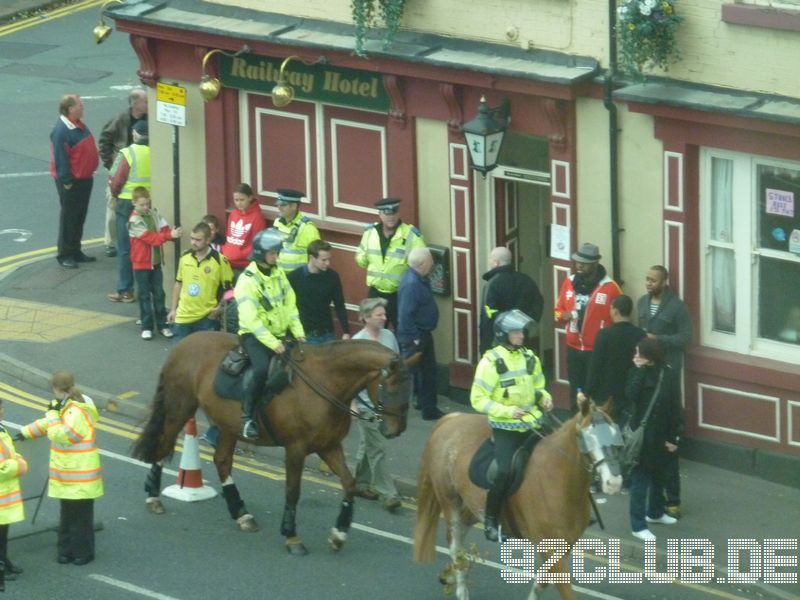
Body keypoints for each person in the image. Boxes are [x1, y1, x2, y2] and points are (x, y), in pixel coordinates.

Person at [470, 309, 553, 542]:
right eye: (516, 332)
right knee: (505, 471)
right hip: (506, 427)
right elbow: (478, 399)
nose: (521, 336)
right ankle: (491, 521)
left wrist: (544, 397)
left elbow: (538, 385)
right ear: (503, 334)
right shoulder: (490, 362)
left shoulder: (530, 358)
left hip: (533, 422)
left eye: (522, 331)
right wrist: (507, 411)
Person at [16, 370, 103, 565]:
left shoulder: (77, 410)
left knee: (79, 516)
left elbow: (64, 434)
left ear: (56, 388)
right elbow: (48, 423)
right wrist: (25, 432)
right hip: (71, 472)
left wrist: (53, 415)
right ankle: (66, 552)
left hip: (79, 474)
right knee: (69, 514)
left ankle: (82, 553)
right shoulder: (67, 405)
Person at [234, 228, 306, 439]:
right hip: (254, 336)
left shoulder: (278, 273)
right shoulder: (247, 281)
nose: (277, 256)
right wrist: (273, 344)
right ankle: (247, 418)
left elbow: (290, 305)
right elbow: (251, 320)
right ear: (260, 254)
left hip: (281, 334)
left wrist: (299, 333)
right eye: (273, 253)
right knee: (262, 370)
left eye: (277, 253)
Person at [637, 265, 692, 518]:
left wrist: (659, 339)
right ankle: (652, 501)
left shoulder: (677, 307)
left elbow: (685, 337)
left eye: (653, 280)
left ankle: (673, 500)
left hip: (668, 371)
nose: (648, 283)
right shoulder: (641, 303)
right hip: (648, 371)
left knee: (669, 434)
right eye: (647, 279)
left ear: (665, 281)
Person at [625, 338, 682, 542]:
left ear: (649, 355)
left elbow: (676, 406)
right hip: (643, 437)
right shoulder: (636, 373)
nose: (635, 356)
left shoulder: (668, 373)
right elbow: (630, 395)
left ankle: (656, 512)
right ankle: (638, 525)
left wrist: (674, 436)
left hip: (661, 435)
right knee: (640, 480)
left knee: (660, 476)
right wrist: (639, 370)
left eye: (639, 353)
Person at [554, 242, 621, 410]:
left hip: (597, 350)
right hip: (573, 348)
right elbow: (556, 311)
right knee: (576, 390)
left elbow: (619, 320)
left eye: (584, 263)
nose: (579, 266)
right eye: (578, 262)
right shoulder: (569, 283)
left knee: (597, 392)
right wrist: (563, 315)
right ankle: (575, 425)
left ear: (595, 264)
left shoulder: (610, 288)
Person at [349, 298, 402, 512]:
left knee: (368, 444)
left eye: (384, 314)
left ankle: (360, 484)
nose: (384, 317)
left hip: (386, 402)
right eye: (379, 314)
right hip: (365, 404)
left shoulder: (389, 336)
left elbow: (397, 366)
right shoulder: (357, 342)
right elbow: (351, 378)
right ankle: (388, 494)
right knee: (377, 446)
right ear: (366, 317)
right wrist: (352, 403)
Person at [355, 198, 426, 329]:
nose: (391, 217)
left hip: (400, 294)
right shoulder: (370, 233)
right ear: (380, 214)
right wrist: (365, 258)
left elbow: (422, 263)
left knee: (403, 332)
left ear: (398, 213)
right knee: (373, 332)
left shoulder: (410, 234)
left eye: (394, 213)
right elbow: (360, 259)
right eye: (387, 214)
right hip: (375, 293)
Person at [579, 295, 646, 426]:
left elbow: (595, 366)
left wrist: (587, 393)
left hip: (606, 394)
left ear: (615, 311)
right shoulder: (640, 334)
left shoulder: (604, 334)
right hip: (631, 392)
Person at [50, 94, 100, 269]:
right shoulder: (61, 131)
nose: (83, 106)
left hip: (84, 179)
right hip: (72, 182)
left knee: (79, 217)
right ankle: (65, 254)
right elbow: (60, 158)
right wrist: (67, 181)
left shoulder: (78, 124)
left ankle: (75, 250)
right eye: (80, 104)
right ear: (70, 108)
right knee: (69, 218)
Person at [98, 88, 148, 258]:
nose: (148, 104)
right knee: (113, 208)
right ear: (136, 104)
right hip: (120, 167)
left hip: (138, 170)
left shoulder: (148, 119)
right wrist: (109, 164)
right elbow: (104, 140)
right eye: (145, 101)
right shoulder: (120, 119)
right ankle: (110, 243)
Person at [128, 187, 182, 340]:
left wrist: (171, 234)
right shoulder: (134, 221)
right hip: (141, 264)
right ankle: (147, 326)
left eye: (147, 204)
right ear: (134, 203)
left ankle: (162, 325)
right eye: (142, 205)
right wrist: (170, 235)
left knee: (159, 294)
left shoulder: (154, 214)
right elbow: (151, 238)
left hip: (155, 262)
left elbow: (164, 230)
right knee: (144, 295)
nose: (145, 207)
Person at [107, 119, 151, 303]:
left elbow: (116, 179)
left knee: (125, 249)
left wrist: (115, 194)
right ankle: (145, 290)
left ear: (134, 134)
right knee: (146, 248)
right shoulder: (156, 151)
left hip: (126, 204)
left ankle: (125, 290)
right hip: (148, 204)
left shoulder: (127, 153)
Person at [167, 222, 233, 343]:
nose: (193, 242)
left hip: (206, 318)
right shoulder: (184, 257)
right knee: (179, 357)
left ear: (208, 240)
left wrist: (218, 309)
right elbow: (178, 283)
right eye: (192, 238)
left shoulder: (220, 261)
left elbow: (229, 290)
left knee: (203, 358)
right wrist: (173, 309)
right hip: (183, 317)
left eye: (198, 240)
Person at [397, 247, 442, 420]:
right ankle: (427, 410)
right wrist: (415, 338)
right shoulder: (412, 284)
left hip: (421, 333)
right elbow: (405, 315)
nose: (433, 264)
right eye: (430, 261)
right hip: (417, 336)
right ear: (422, 264)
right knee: (424, 372)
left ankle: (423, 404)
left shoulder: (417, 279)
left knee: (421, 372)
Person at [479, 246, 545, 354]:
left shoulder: (492, 284)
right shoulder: (527, 281)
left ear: (496, 263)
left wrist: (485, 346)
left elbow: (488, 314)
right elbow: (539, 304)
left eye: (490, 260)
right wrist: (526, 326)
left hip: (497, 342)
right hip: (522, 337)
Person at [287, 240, 351, 344]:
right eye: (323, 260)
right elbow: (288, 307)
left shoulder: (332, 277)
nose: (328, 263)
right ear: (312, 258)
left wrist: (346, 331)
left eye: (328, 259)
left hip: (328, 333)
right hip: (306, 335)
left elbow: (339, 305)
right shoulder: (294, 277)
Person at [0, 400, 27, 588]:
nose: (3, 411)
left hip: (5, 494)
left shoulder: (2, 429)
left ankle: (4, 560)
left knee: (3, 533)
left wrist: (15, 460)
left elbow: (10, 453)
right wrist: (19, 465)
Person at [220, 183, 267, 276]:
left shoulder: (257, 217)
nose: (239, 203)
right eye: (236, 200)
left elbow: (257, 243)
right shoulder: (233, 214)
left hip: (243, 265)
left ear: (250, 198)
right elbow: (229, 237)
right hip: (227, 262)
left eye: (242, 200)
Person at [273, 189, 321, 273]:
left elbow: (317, 258)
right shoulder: (277, 223)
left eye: (283, 205)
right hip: (279, 277)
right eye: (278, 205)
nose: (279, 208)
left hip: (300, 280)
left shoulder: (308, 228)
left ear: (294, 206)